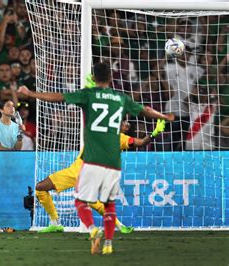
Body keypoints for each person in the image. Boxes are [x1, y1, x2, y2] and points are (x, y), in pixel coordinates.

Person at [18, 62, 174, 255]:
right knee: (103, 202)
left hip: (86, 165)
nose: (124, 123)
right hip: (111, 166)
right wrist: (160, 125)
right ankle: (109, 236)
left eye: (125, 122)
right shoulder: (119, 107)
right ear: (110, 78)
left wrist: (32, 94)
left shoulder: (114, 128)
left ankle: (90, 228)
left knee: (77, 198)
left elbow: (60, 98)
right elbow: (144, 121)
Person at [35, 118, 166, 234]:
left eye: (125, 123)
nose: (124, 123)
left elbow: (141, 142)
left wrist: (154, 133)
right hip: (73, 172)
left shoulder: (121, 139)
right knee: (40, 187)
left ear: (124, 128)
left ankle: (119, 226)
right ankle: (55, 223)